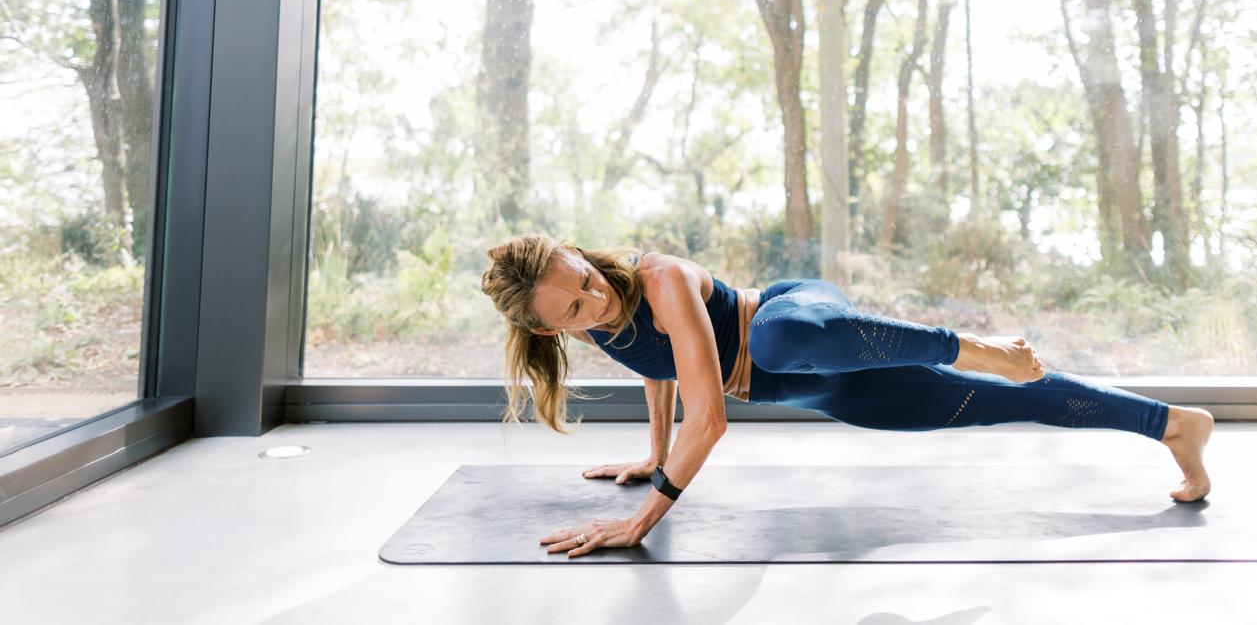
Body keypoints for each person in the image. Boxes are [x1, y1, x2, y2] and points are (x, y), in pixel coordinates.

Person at [480, 233, 1214, 558]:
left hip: (800, 321)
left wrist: (641, 519)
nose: (595, 298)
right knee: (1001, 402)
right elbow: (662, 365)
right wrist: (654, 453)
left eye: (586, 278)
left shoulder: (659, 277)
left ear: (578, 254)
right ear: (547, 330)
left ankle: (975, 345)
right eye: (573, 307)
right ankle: (1174, 425)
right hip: (821, 388)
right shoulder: (595, 325)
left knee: (774, 341)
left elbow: (711, 418)